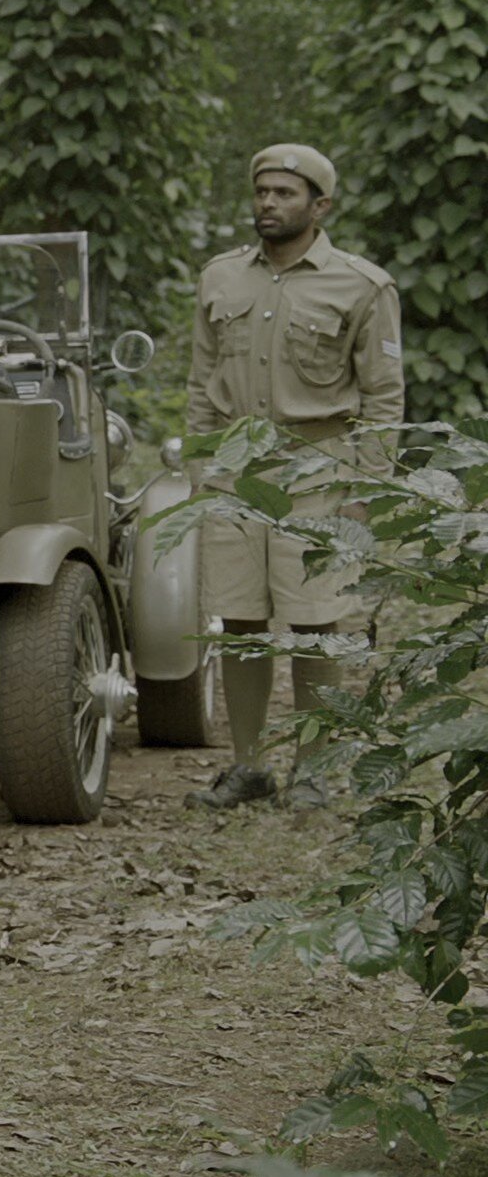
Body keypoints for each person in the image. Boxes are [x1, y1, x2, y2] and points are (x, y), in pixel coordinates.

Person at [187, 143, 403, 811]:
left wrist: (366, 492)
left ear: (320, 205)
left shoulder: (362, 286)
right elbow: (201, 384)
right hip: (235, 473)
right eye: (262, 192)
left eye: (285, 193)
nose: (268, 204)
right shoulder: (221, 278)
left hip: (320, 473)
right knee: (240, 621)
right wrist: (200, 473)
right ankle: (248, 767)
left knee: (317, 623)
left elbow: (383, 398)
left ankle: (313, 770)